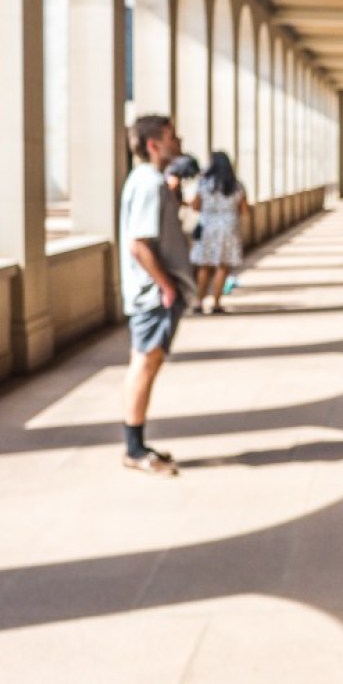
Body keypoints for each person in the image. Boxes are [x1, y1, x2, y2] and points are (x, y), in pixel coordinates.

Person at [119, 115, 196, 477]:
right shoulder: (149, 184)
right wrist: (166, 286)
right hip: (153, 295)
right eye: (170, 137)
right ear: (153, 144)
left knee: (146, 363)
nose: (177, 141)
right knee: (145, 365)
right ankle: (134, 448)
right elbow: (139, 244)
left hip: (152, 292)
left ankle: (136, 443)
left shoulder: (151, 182)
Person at [190, 151, 248, 314]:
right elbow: (244, 210)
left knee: (205, 265)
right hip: (228, 227)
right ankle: (216, 302)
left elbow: (195, 206)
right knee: (223, 265)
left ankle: (198, 302)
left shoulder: (204, 183)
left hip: (207, 226)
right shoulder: (236, 185)